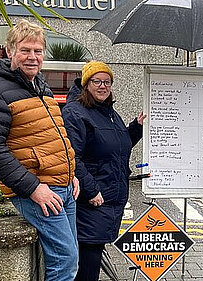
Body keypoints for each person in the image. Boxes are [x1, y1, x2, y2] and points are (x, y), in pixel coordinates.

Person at [0, 19, 79, 280]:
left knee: (66, 259)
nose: (32, 57)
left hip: (62, 186)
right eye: (25, 50)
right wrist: (33, 188)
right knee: (65, 262)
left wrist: (69, 173)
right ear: (10, 51)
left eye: (38, 51)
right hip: (39, 189)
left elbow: (50, 136)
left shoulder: (39, 85)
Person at [62, 60, 145, 281]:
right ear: (86, 84)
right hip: (91, 201)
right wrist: (91, 191)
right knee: (88, 264)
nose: (102, 86)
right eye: (97, 81)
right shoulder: (75, 113)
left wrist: (136, 127)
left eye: (107, 82)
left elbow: (118, 145)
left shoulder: (108, 112)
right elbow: (72, 157)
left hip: (109, 198)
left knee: (92, 260)